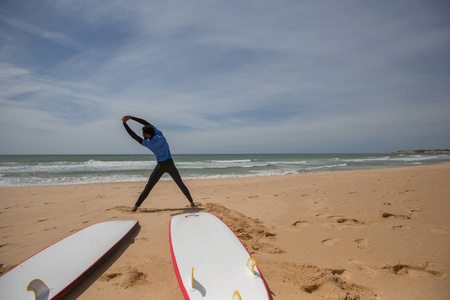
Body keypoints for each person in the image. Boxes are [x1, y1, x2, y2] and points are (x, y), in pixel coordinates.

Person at [122, 115, 195, 212]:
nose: (142, 135)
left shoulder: (149, 144)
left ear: (148, 135)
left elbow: (133, 136)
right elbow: (146, 123)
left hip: (161, 166)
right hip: (170, 163)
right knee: (180, 183)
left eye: (143, 134)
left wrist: (124, 124)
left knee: (149, 186)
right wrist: (132, 118)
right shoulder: (160, 134)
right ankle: (192, 203)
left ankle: (135, 207)